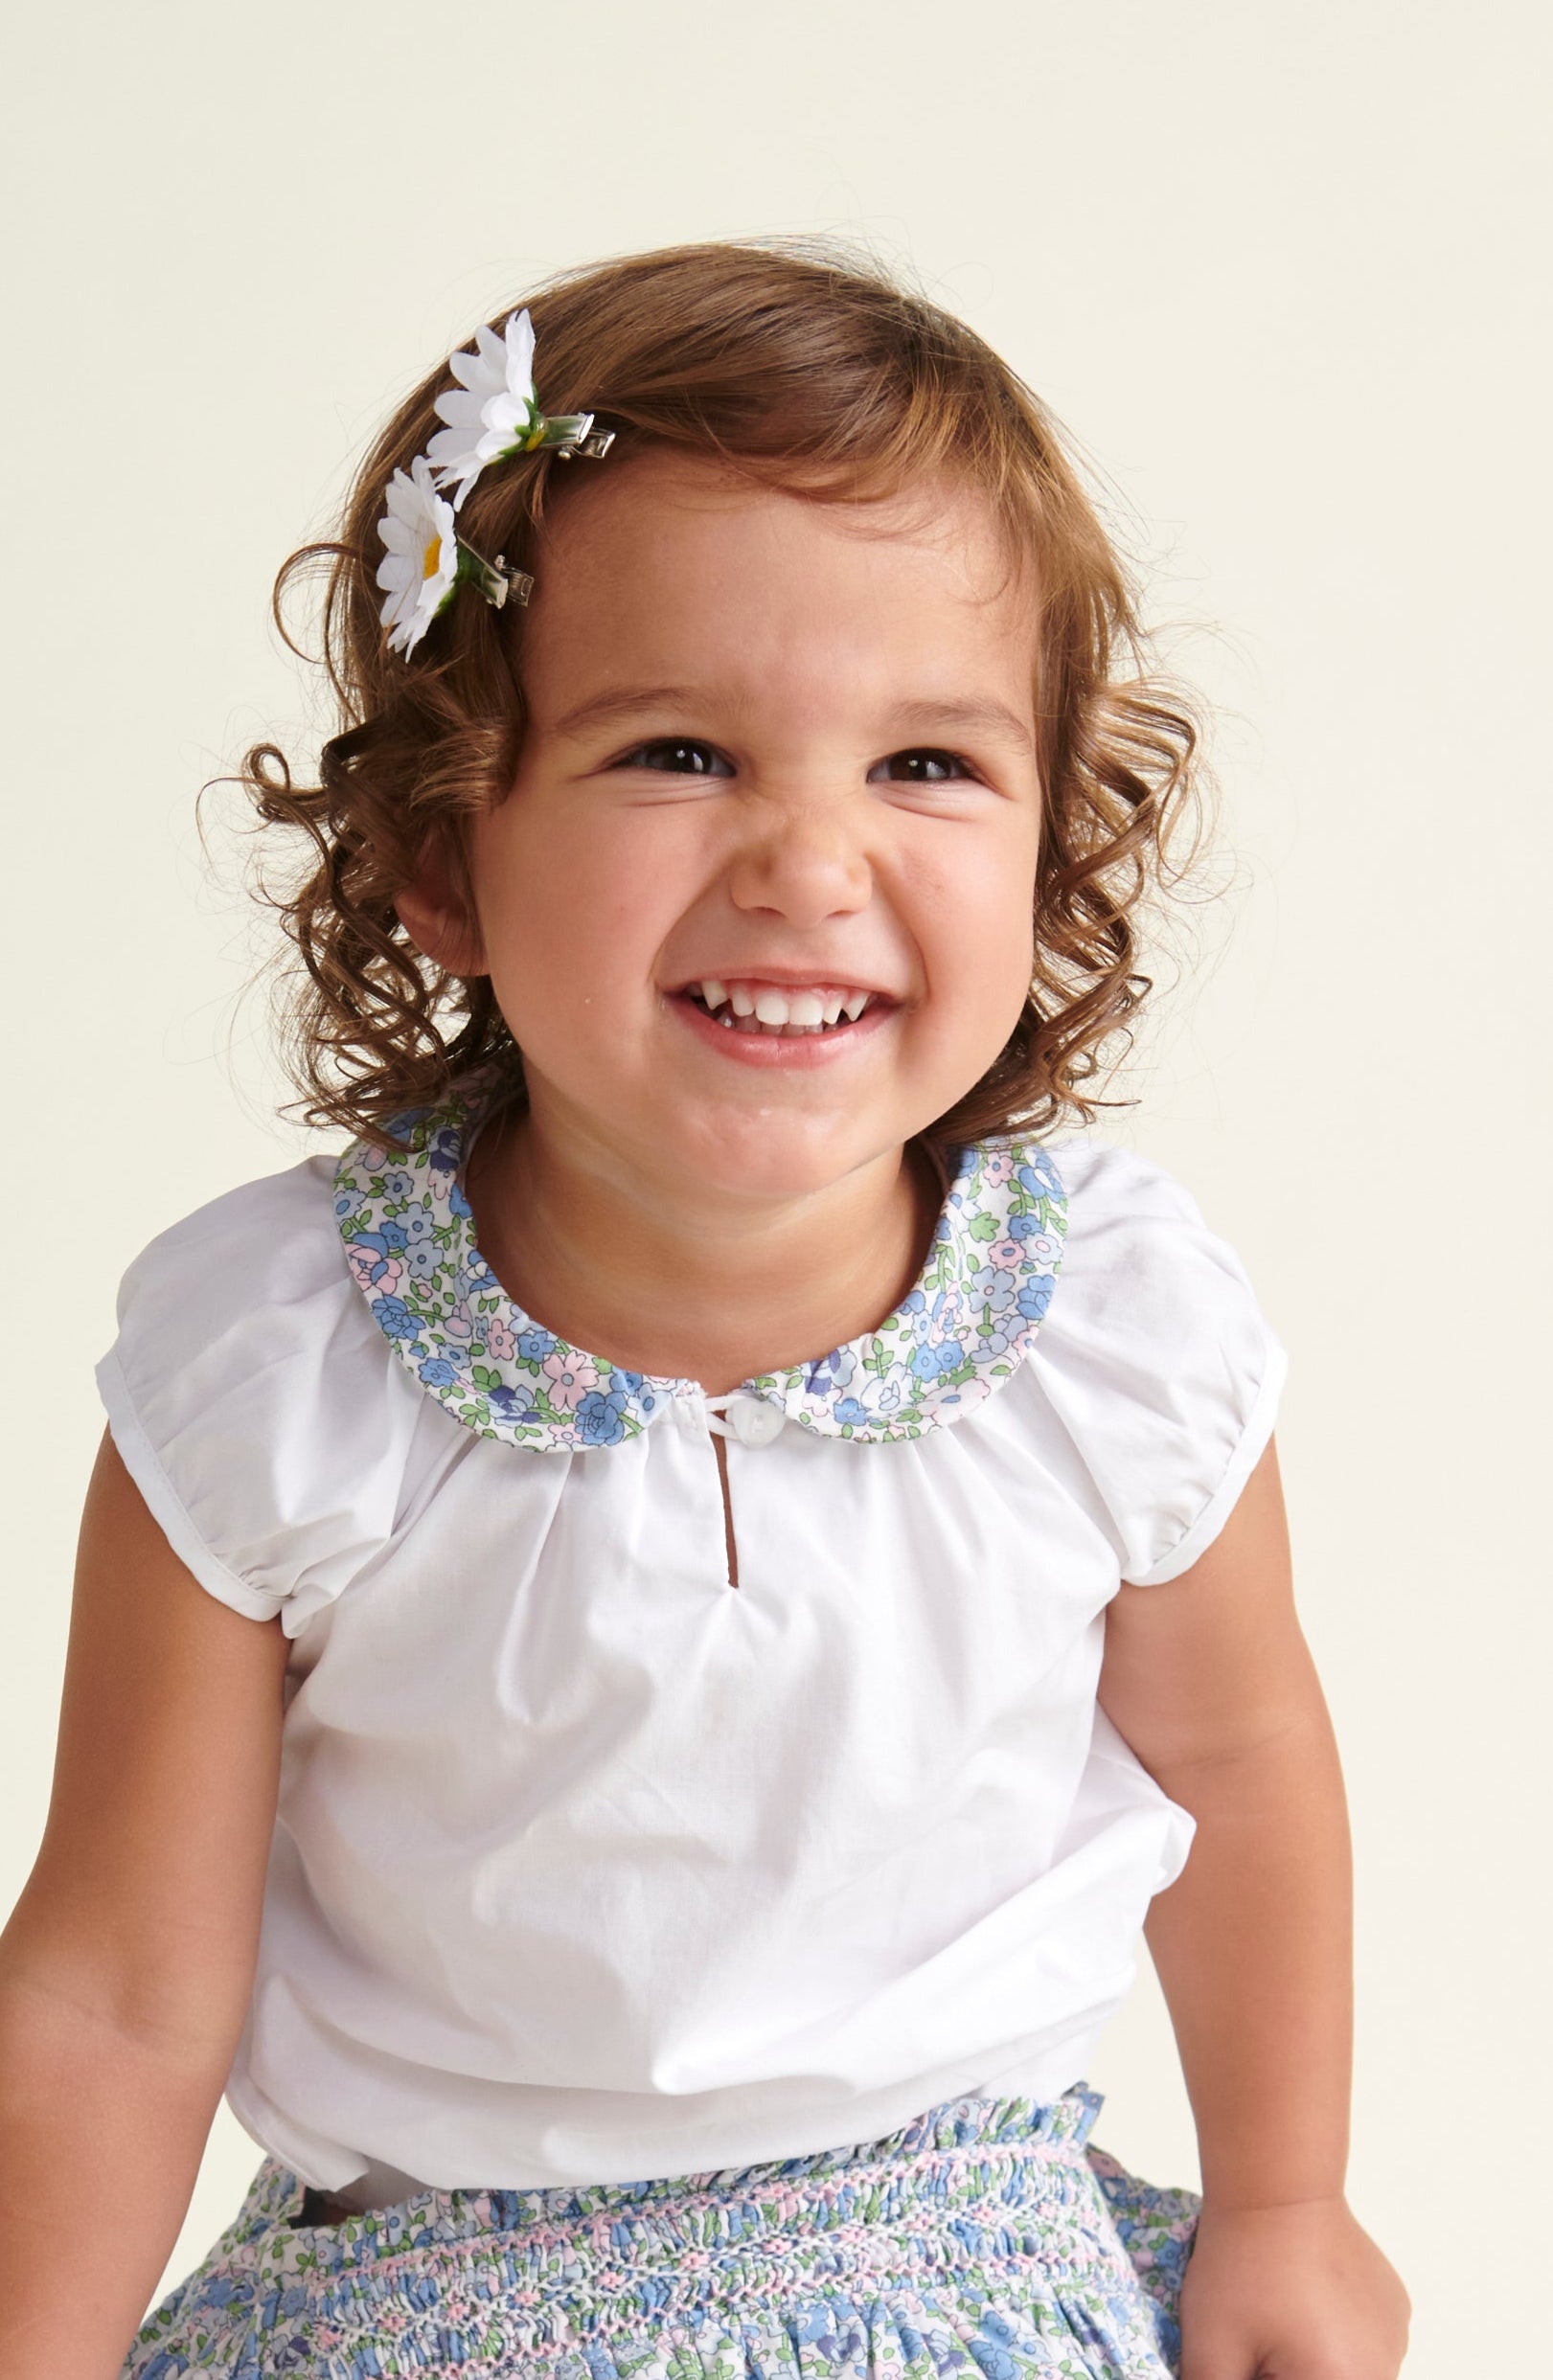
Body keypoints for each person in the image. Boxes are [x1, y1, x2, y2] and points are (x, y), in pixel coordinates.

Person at [0, 239, 1410, 2380]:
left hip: (974, 2295)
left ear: (1054, 841)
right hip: (428, 2319)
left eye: (926, 765)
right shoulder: (276, 1373)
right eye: (677, 750)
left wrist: (1288, 2202)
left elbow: (1239, 1758)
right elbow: (110, 1984)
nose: (808, 860)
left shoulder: (1110, 1333)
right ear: (443, 857)